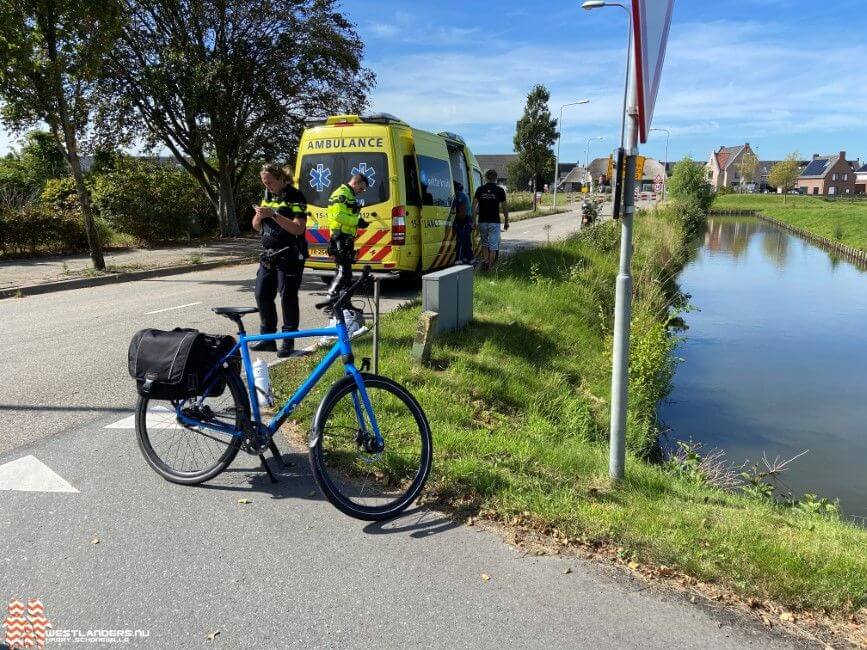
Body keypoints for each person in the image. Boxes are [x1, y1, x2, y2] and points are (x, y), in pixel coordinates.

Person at [250, 163, 308, 358]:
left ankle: (288, 341)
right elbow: (257, 227)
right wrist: (259, 216)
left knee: (288, 297)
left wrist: (274, 215)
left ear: (281, 179)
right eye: (264, 183)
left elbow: (298, 229)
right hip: (269, 255)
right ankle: (268, 339)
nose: (267, 186)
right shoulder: (268, 196)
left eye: (270, 182)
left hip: (289, 254)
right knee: (261, 294)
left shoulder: (296, 197)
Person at [326, 172, 369, 297]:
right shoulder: (341, 194)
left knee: (347, 275)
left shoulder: (349, 195)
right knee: (342, 273)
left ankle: (345, 304)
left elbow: (349, 214)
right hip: (340, 238)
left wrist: (359, 220)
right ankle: (333, 303)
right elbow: (338, 216)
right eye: (361, 188)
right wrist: (357, 221)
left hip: (346, 238)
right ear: (355, 183)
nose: (362, 191)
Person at [472, 169, 509, 270]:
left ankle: (486, 261)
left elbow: (474, 206)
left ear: (485, 178)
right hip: (494, 222)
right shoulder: (500, 190)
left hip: (482, 222)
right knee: (493, 245)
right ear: (496, 178)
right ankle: (490, 267)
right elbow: (505, 207)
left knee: (484, 243)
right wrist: (506, 221)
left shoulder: (480, 189)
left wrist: (473, 221)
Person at [451, 180, 473, 264]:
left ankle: (459, 259)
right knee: (465, 240)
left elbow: (462, 213)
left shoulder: (460, 196)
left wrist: (454, 221)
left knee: (462, 240)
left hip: (465, 220)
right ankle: (468, 258)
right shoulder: (459, 195)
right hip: (464, 219)